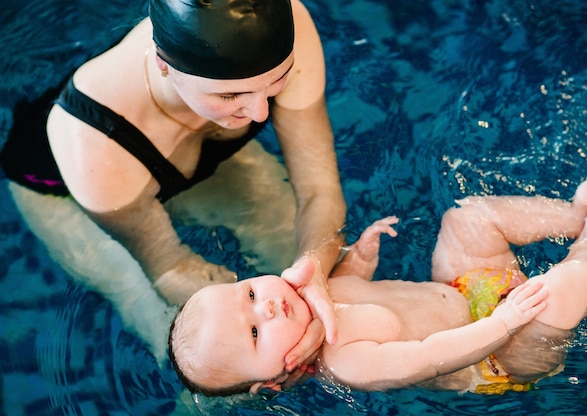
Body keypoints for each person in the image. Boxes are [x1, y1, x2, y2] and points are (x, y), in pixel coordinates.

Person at [0, 0, 343, 364]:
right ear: (164, 64)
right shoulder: (90, 142)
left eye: (277, 83)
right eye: (229, 94)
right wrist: (259, 344)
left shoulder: (289, 28)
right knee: (186, 340)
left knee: (323, 293)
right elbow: (169, 270)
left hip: (191, 149)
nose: (259, 113)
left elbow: (319, 192)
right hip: (76, 186)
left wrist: (314, 271)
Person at [168, 165, 587, 395]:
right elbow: (432, 356)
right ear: (271, 381)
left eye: (249, 293)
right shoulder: (347, 363)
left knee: (466, 219)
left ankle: (573, 217)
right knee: (557, 294)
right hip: (496, 355)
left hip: (462, 292)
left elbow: (352, 285)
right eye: (253, 332)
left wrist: (360, 258)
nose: (265, 307)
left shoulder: (318, 291)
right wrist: (504, 323)